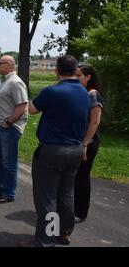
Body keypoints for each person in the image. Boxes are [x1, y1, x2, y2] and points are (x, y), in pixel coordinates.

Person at [28, 55, 89, 247]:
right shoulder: (84, 92)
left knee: (47, 198)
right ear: (76, 70)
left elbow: (31, 109)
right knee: (66, 194)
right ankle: (64, 233)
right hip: (75, 150)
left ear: (57, 70)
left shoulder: (53, 91)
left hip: (53, 150)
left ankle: (46, 240)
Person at [0, 55, 28, 204]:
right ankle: (0, 187)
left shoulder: (15, 82)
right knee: (0, 160)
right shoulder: (6, 81)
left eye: (0, 63)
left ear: (10, 65)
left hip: (9, 128)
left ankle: (8, 193)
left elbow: (22, 105)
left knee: (9, 162)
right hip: (0, 127)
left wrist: (9, 123)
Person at [74, 64, 103, 223]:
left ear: (88, 77)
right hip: (79, 140)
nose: (77, 79)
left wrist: (85, 144)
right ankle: (73, 208)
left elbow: (94, 122)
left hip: (89, 142)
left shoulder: (93, 94)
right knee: (75, 176)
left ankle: (80, 212)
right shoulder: (82, 93)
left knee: (82, 177)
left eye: (79, 76)